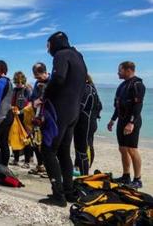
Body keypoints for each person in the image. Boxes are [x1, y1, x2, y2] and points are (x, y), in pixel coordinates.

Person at [36, 31, 87, 207]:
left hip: (59, 110)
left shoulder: (61, 54)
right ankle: (69, 192)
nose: (48, 49)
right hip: (74, 111)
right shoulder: (78, 56)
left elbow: (58, 78)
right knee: (64, 151)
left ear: (54, 43)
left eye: (48, 45)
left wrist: (45, 95)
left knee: (47, 150)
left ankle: (58, 196)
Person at [107, 61, 145, 189]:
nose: (118, 72)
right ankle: (126, 176)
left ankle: (138, 179)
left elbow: (138, 106)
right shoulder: (122, 86)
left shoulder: (137, 84)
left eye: (120, 70)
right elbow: (118, 105)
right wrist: (112, 120)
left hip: (131, 122)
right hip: (122, 121)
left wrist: (131, 122)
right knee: (123, 149)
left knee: (132, 149)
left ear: (128, 70)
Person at [73, 75, 102, 176]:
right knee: (84, 148)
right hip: (89, 123)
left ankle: (84, 175)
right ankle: (78, 172)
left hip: (84, 124)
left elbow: (79, 107)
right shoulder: (92, 88)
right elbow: (100, 106)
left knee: (81, 151)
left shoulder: (86, 89)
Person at [27, 62, 49, 176]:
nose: (37, 79)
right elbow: (32, 98)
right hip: (37, 117)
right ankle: (40, 165)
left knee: (47, 144)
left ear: (45, 72)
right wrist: (33, 101)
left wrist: (42, 99)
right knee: (35, 142)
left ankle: (47, 167)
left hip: (48, 118)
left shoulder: (52, 81)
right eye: (35, 77)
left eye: (39, 76)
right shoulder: (37, 83)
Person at [10, 71, 33, 168]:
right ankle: (16, 159)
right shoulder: (14, 90)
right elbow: (11, 102)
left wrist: (21, 111)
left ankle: (27, 161)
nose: (19, 84)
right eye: (17, 83)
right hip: (15, 116)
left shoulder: (27, 90)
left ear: (23, 81)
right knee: (15, 137)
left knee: (26, 138)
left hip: (25, 117)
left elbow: (30, 104)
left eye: (20, 82)